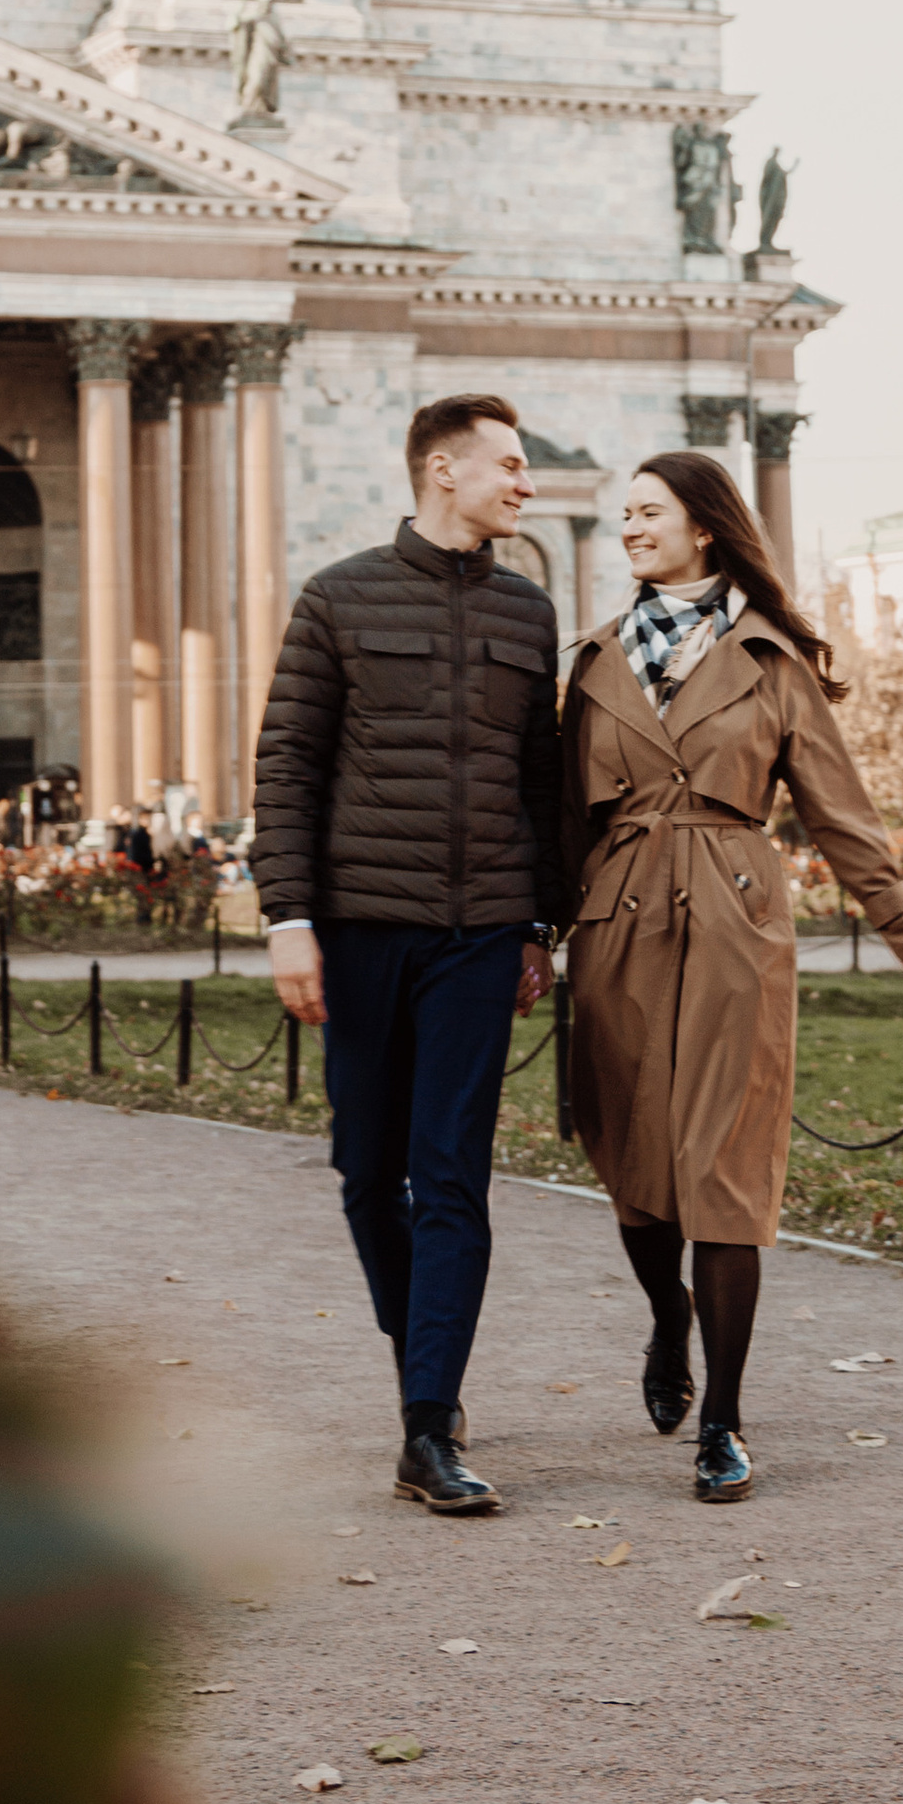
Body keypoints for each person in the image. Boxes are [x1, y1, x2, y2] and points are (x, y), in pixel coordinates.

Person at [561, 450, 903, 1504]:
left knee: (726, 1172)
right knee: (634, 1162)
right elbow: (557, 824)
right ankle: (668, 1320)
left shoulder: (771, 659)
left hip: (738, 925)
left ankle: (725, 1421)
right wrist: (530, 937)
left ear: (703, 526)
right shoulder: (593, 660)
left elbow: (842, 815)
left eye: (647, 512)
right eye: (622, 516)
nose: (628, 529)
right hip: (616, 925)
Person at [255, 393, 562, 1520]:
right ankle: (417, 1359)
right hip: (357, 930)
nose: (526, 483)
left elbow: (541, 784)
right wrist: (288, 917)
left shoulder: (530, 614)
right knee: (364, 1172)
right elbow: (287, 764)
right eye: (510, 465)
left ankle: (428, 1424)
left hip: (479, 934)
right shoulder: (336, 598)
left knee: (452, 1177)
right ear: (443, 469)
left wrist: (539, 922)